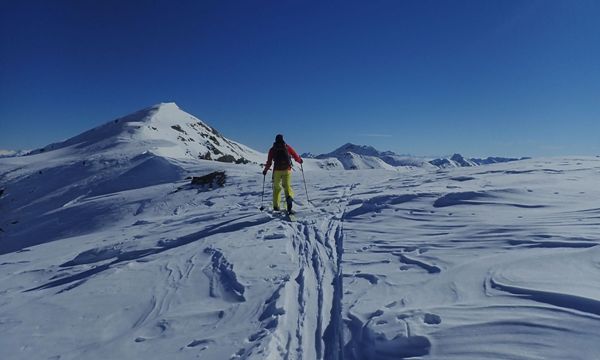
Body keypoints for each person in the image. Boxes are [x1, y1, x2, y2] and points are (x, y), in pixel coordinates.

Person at [262, 134, 303, 213]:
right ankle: (289, 198)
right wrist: (300, 161)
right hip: (287, 170)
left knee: (277, 188)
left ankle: (276, 206)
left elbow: (269, 162)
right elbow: (295, 155)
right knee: (287, 186)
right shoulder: (287, 147)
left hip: (277, 171)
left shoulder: (272, 149)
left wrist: (265, 170)